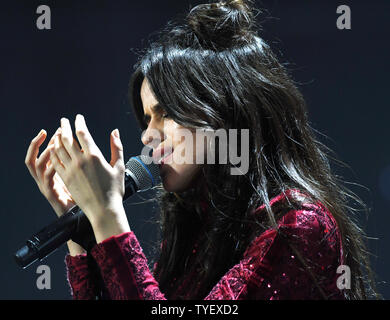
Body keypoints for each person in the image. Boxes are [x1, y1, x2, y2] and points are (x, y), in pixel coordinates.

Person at [25, 0, 380, 300]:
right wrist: (85, 230)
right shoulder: (199, 224)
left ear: (223, 113)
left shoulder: (297, 227)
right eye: (146, 118)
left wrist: (108, 215)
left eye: (165, 113)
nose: (148, 136)